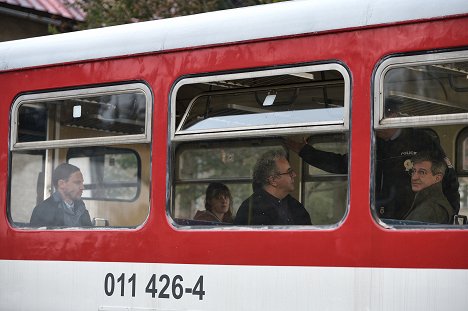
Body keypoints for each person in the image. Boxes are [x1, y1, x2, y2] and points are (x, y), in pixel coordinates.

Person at [285, 98, 459, 220]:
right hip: (381, 216)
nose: (372, 126)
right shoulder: (372, 144)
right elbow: (341, 164)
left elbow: (447, 175)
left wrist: (450, 213)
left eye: (377, 120)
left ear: (393, 117)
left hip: (413, 214)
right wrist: (304, 151)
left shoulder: (421, 139)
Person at [234, 149, 311, 225]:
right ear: (273, 180)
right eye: (289, 172)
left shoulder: (294, 204)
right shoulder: (252, 209)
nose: (294, 175)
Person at [30, 163, 93, 227]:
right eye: (77, 183)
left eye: (82, 183)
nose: (82, 187)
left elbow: (90, 235)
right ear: (61, 184)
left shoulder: (82, 209)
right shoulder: (43, 211)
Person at [404, 151, 454, 224]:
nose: (414, 177)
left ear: (437, 178)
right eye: (413, 171)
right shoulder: (430, 202)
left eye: (422, 172)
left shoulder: (431, 208)